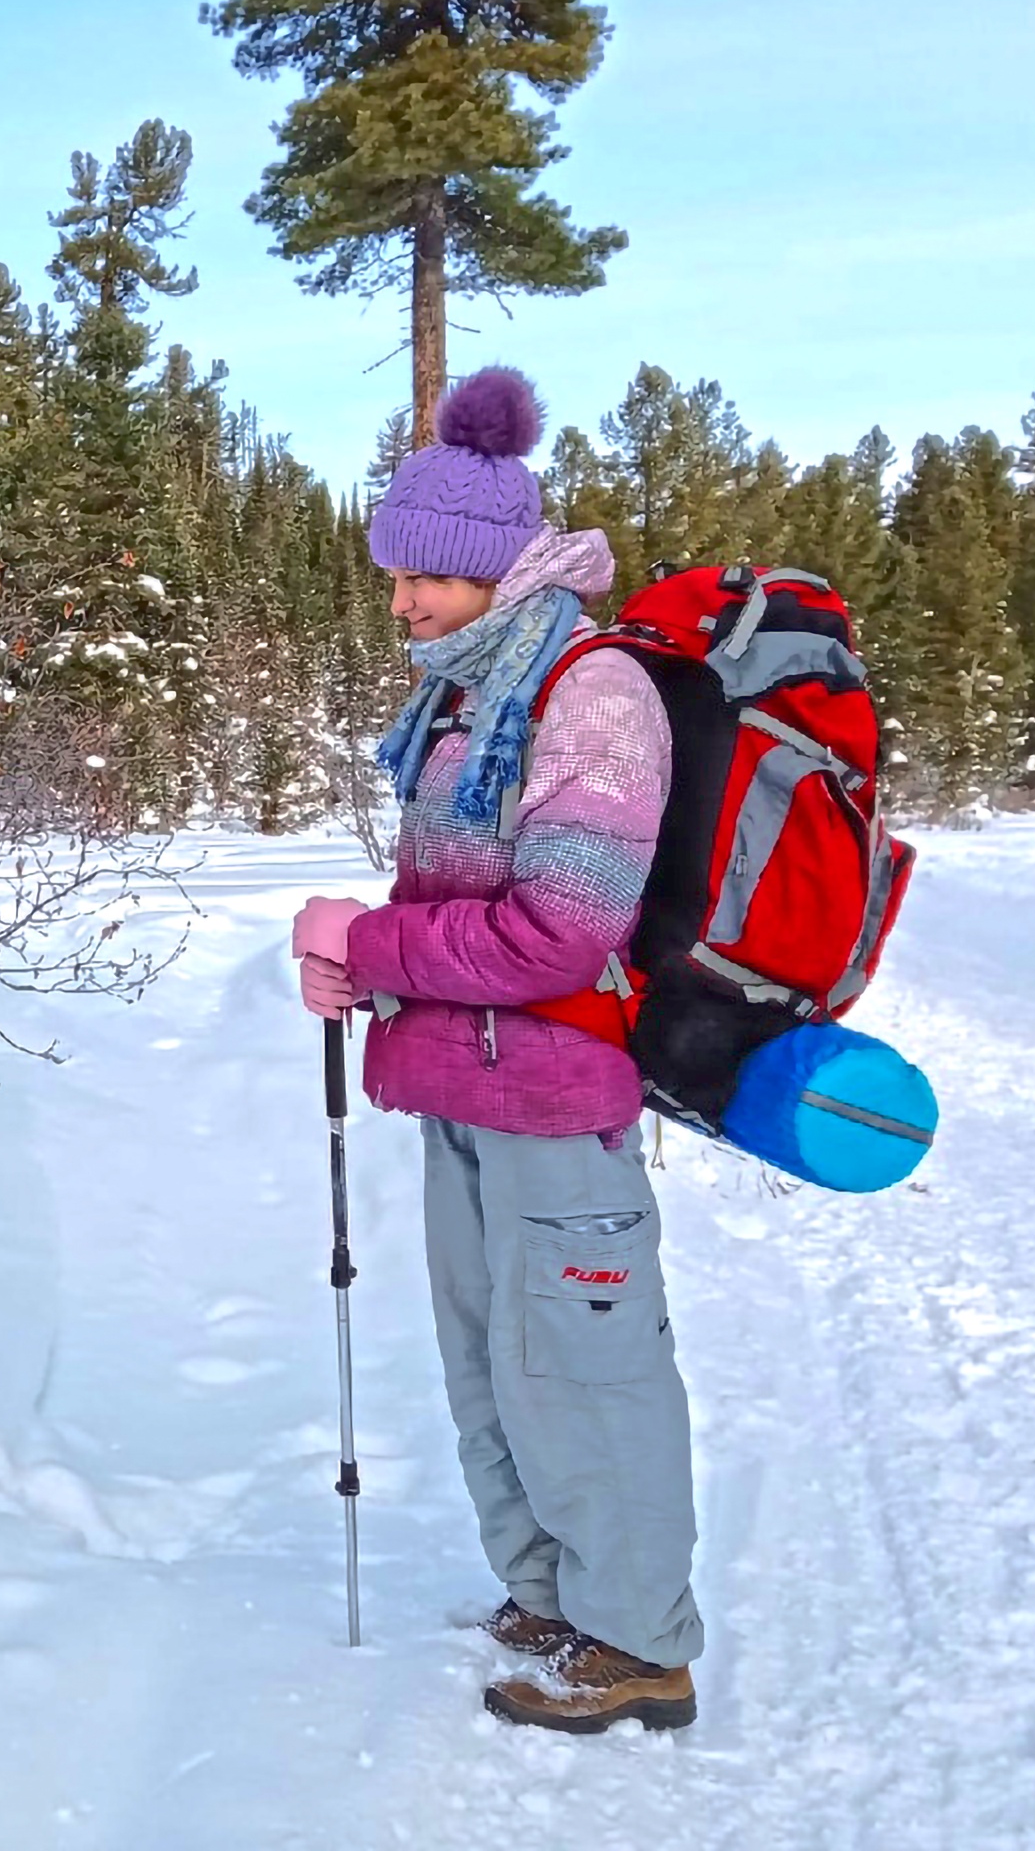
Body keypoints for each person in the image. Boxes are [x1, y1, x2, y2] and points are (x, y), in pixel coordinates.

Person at [291, 367, 704, 1734]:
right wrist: (354, 955)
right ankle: (552, 1597)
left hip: (557, 1094)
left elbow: (554, 933)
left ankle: (639, 1638)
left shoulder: (592, 698)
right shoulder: (468, 699)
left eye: (421, 578)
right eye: (392, 575)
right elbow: (446, 909)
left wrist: (375, 943)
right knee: (489, 1363)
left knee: (585, 1369)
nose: (399, 601)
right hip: (461, 1088)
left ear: (492, 571)